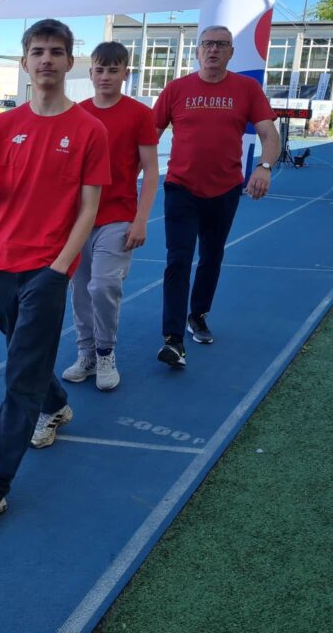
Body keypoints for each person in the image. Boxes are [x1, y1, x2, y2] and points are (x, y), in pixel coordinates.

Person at [0, 19, 110, 520]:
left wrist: (61, 267)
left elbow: (89, 208)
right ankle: (57, 403)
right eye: (38, 51)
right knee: (27, 354)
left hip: (49, 266)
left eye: (56, 52)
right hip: (1, 263)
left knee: (20, 374)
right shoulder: (3, 126)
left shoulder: (90, 130)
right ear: (24, 62)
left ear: (70, 62)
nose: (46, 59)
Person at [153, 25, 279, 369]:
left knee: (211, 256)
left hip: (224, 190)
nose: (213, 50)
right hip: (180, 188)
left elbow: (269, 133)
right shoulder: (176, 89)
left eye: (221, 45)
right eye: (207, 44)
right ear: (197, 51)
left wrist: (265, 167)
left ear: (231, 52)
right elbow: (149, 135)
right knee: (178, 260)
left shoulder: (247, 89)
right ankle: (173, 339)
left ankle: (198, 314)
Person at [62, 42, 159, 392]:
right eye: (99, 70)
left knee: (103, 286)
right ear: (90, 74)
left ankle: (105, 352)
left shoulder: (138, 114)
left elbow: (150, 171)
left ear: (125, 74)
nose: (105, 76)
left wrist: (141, 218)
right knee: (79, 289)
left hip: (118, 215)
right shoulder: (77, 113)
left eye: (113, 70)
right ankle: (85, 353)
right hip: (78, 220)